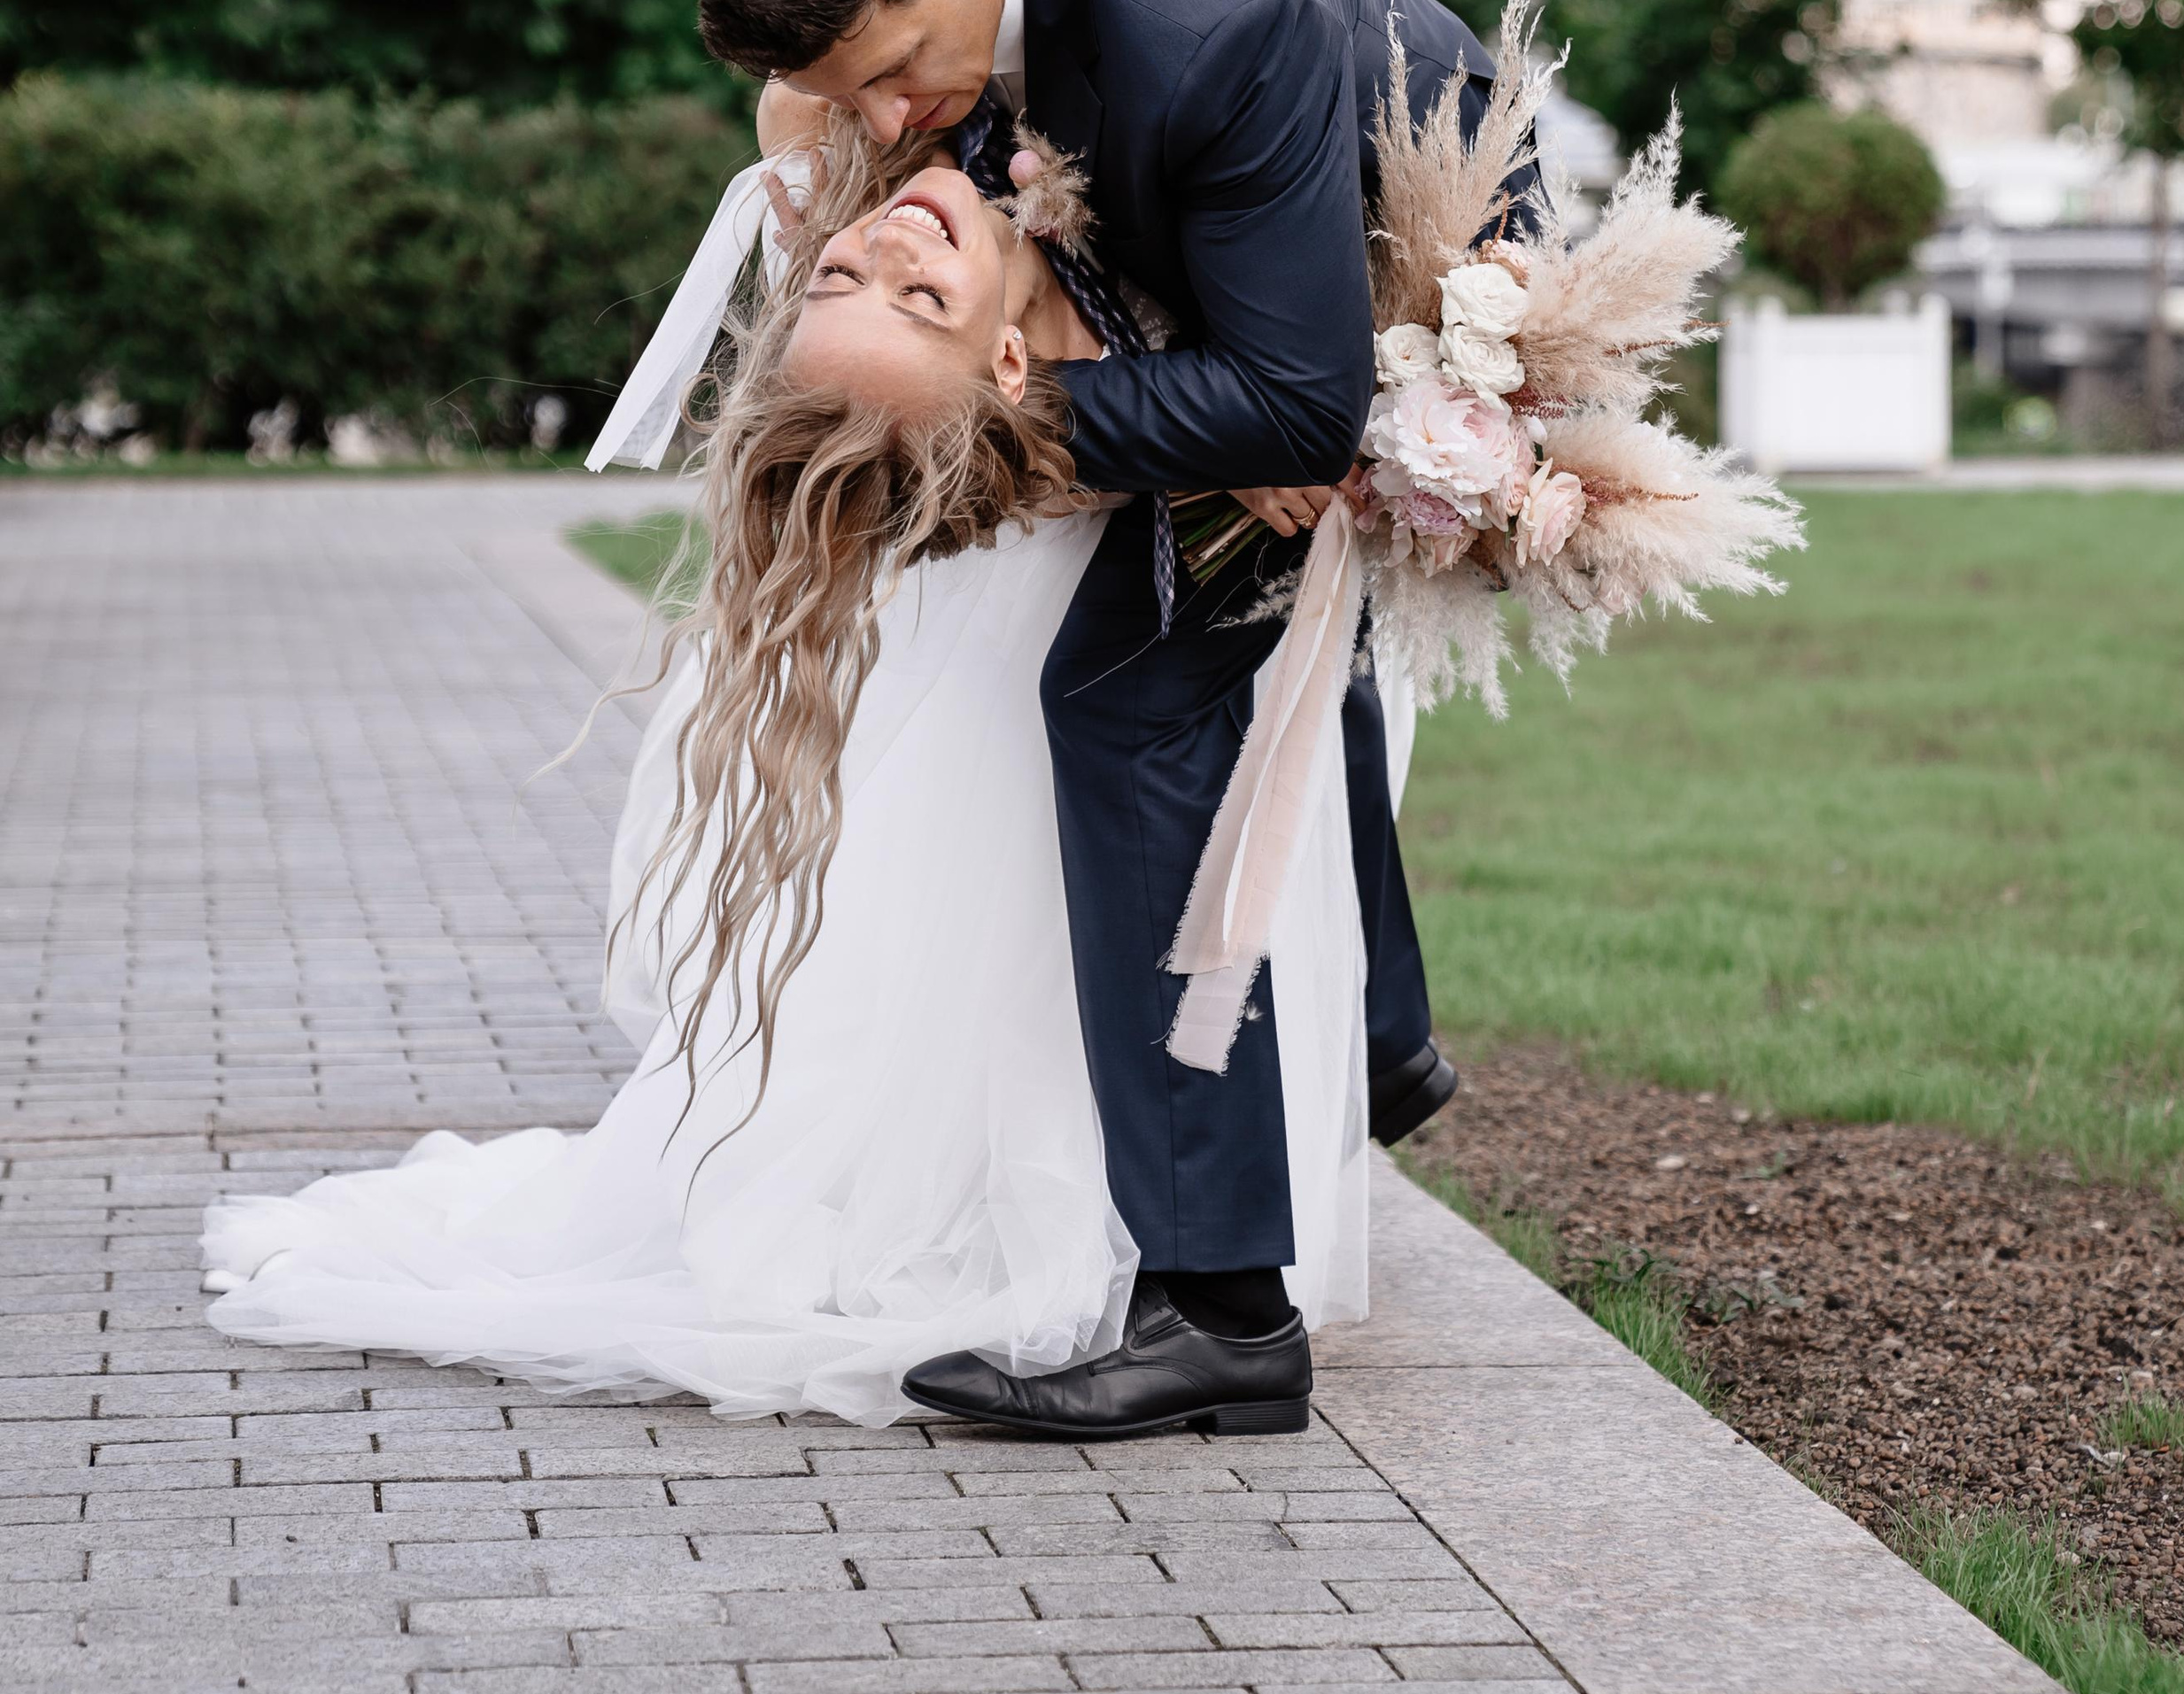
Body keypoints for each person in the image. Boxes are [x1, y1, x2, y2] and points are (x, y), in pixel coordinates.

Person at [201, 116, 1374, 1430]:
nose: (883, 250)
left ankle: (1301, 1117)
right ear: (1000, 366)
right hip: (1056, 592)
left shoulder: (914, 129)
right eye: (885, 284)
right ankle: (1126, 1211)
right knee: (1019, 906)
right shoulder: (1017, 360)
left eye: (860, 276)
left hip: (1109, 599)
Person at [692, 0, 1534, 1439]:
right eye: (839, 93)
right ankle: (1378, 1033)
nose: (882, 127)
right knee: (1252, 633)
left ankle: (1221, 1314)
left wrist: (986, 419)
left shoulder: (1216, 27)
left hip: (1380, 244)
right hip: (1180, 194)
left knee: (1132, 691)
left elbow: (1294, 409)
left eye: (897, 75)